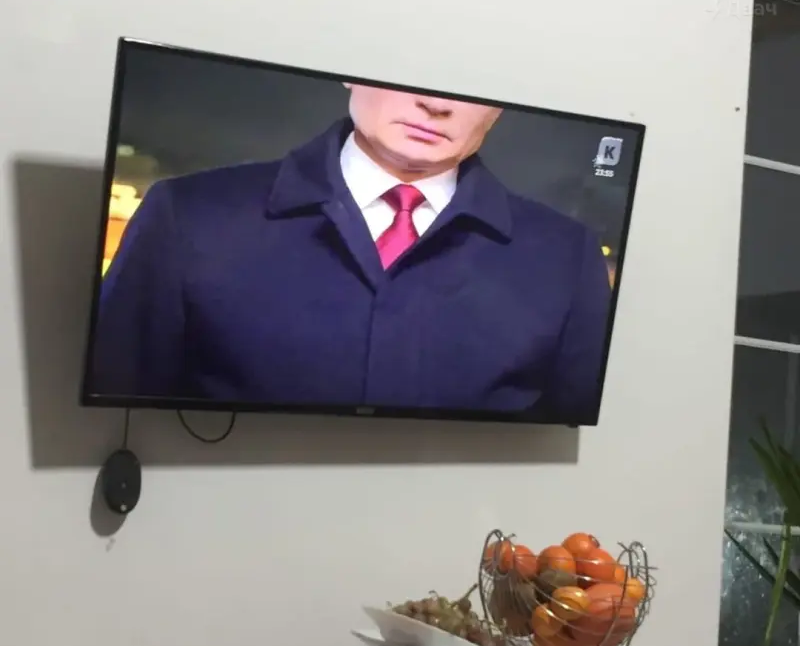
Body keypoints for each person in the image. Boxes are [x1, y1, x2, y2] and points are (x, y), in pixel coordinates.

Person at [88, 84, 611, 423]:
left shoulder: (566, 256)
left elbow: (567, 444)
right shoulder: (190, 213)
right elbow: (113, 410)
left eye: (474, 88)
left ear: (499, 107)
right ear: (350, 73)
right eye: (409, 74)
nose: (436, 103)